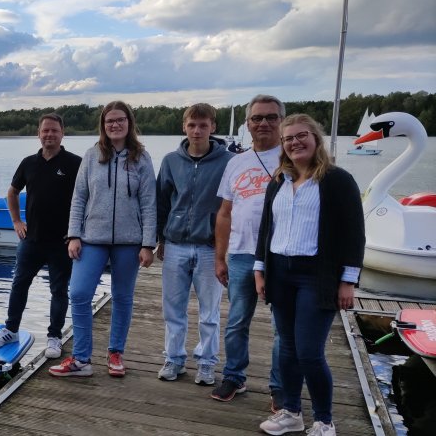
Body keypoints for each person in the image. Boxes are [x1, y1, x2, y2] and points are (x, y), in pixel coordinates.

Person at [255, 114, 363, 436]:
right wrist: (260, 270)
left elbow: (354, 235)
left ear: (315, 139)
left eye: (301, 136)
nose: (295, 143)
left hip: (316, 276)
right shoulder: (279, 182)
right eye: (288, 139)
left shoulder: (337, 180)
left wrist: (348, 281)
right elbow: (265, 229)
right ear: (283, 145)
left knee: (309, 352)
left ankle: (324, 421)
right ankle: (291, 412)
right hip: (280, 273)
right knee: (287, 348)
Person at [49, 101, 156, 378]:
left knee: (122, 297)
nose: (115, 125)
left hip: (129, 241)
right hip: (92, 238)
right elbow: (79, 198)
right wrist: (74, 235)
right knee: (79, 293)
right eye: (109, 121)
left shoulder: (141, 158)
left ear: (129, 123)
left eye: (120, 120)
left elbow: (148, 203)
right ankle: (82, 359)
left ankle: (115, 352)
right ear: (103, 125)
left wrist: (148, 243)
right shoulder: (92, 155)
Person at [0, 113, 82, 358]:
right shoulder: (28, 163)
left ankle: (54, 337)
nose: (49, 134)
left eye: (54, 130)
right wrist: (17, 221)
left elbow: (87, 199)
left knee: (58, 290)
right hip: (31, 240)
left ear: (62, 133)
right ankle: (11, 329)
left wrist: (77, 234)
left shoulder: (75, 163)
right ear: (38, 134)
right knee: (19, 284)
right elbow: (12, 192)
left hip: (62, 241)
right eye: (45, 131)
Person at [212, 94, 284, 407]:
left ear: (281, 120)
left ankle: (281, 387)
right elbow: (225, 213)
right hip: (242, 253)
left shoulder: (293, 157)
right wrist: (219, 256)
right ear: (247, 124)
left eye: (271, 117)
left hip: (282, 254)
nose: (263, 123)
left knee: (283, 327)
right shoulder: (236, 162)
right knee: (237, 320)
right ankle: (234, 376)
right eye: (257, 118)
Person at [156, 103, 233, 385]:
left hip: (210, 247)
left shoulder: (228, 162)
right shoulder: (170, 161)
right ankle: (174, 358)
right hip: (175, 244)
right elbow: (161, 202)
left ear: (213, 127)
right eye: (192, 125)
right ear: (184, 127)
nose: (197, 130)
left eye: (203, 125)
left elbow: (233, 205)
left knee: (209, 311)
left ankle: (206, 362)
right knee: (172, 308)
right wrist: (160, 239)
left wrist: (224, 248)